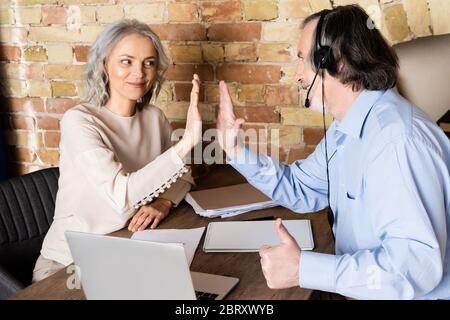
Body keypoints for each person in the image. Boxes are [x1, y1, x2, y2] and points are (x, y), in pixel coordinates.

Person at [216, 5, 450, 299]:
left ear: (333, 61)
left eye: (302, 59)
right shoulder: (346, 130)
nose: (298, 75)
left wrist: (303, 269)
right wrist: (236, 150)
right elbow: (302, 187)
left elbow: (414, 267)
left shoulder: (396, 142)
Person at [32, 19, 203, 283]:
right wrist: (186, 143)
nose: (140, 72)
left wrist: (163, 202)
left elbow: (182, 176)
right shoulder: (79, 121)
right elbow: (122, 197)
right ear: (104, 65)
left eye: (149, 62)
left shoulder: (154, 118)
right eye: (127, 61)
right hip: (67, 265)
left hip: (126, 248)